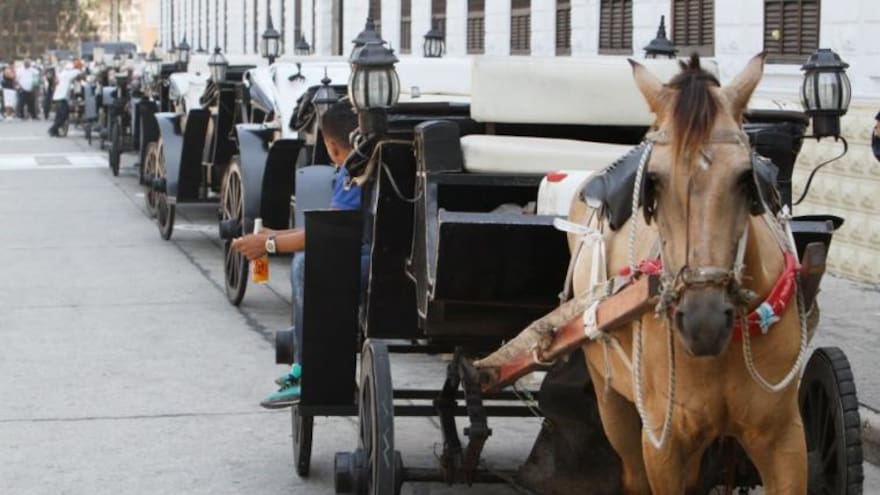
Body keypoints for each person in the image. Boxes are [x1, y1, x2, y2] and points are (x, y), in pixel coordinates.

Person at [231, 100, 367, 409]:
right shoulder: (365, 163)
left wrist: (268, 245)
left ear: (332, 147)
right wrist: (273, 237)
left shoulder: (353, 169)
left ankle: (309, 369)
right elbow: (330, 228)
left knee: (306, 265)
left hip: (368, 260)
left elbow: (329, 237)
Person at [48, 62, 81, 137]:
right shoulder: (68, 74)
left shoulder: (62, 73)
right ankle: (53, 129)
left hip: (59, 97)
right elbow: (78, 72)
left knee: (59, 115)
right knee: (63, 115)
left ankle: (55, 131)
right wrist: (78, 68)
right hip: (62, 97)